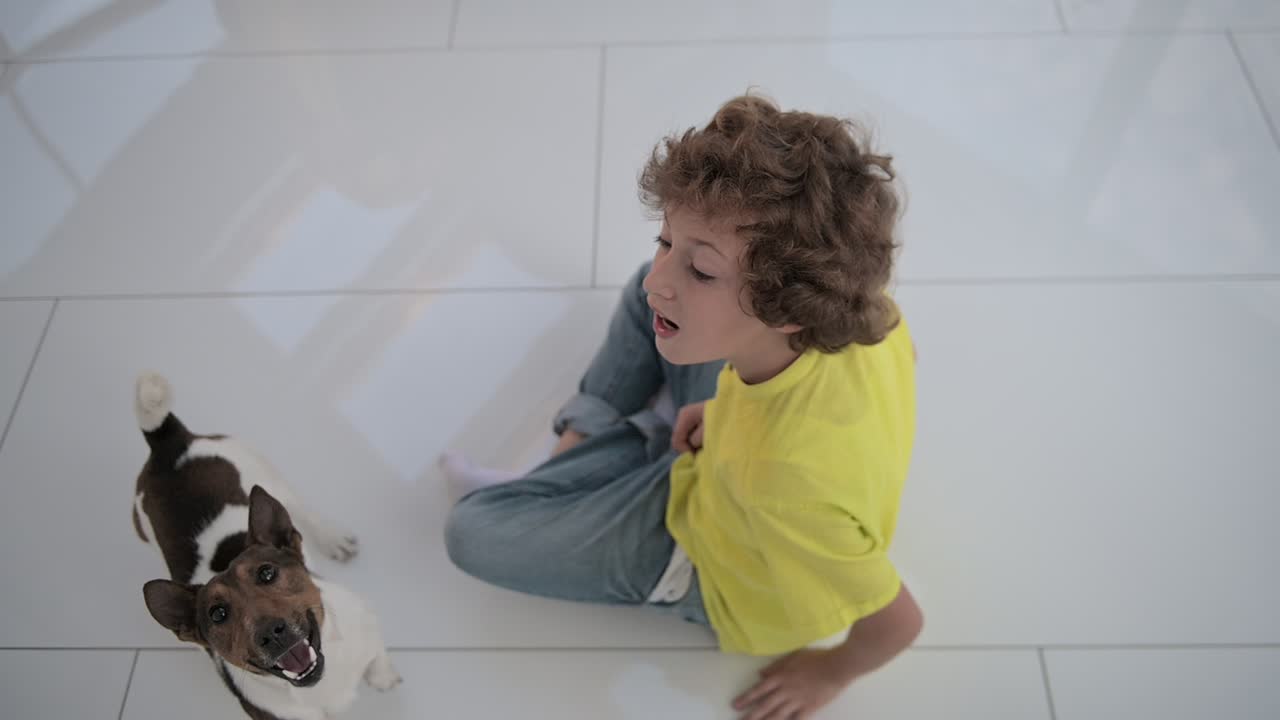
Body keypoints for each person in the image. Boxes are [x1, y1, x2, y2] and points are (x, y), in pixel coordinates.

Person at [443, 93, 921, 719]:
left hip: (711, 562)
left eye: (699, 269)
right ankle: (592, 454)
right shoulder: (870, 313)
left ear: (787, 306)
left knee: (472, 530)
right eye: (669, 241)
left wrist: (827, 673)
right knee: (648, 302)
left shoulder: (789, 484)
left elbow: (898, 623)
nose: (658, 275)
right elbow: (890, 372)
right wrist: (722, 419)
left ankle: (599, 460)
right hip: (729, 460)